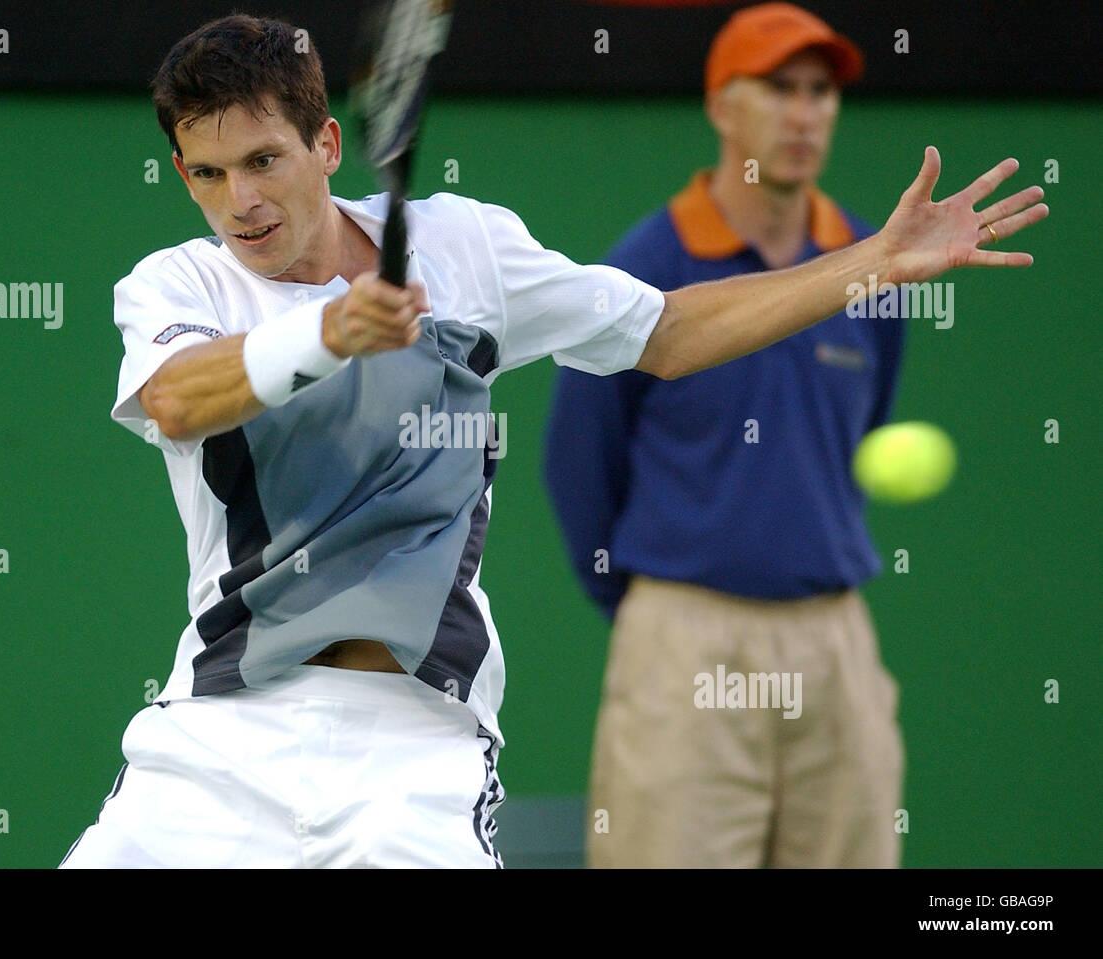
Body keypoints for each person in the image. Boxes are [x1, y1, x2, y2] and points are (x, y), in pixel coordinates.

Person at [60, 10, 1046, 868]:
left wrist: (869, 260)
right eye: (208, 172)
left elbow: (667, 331)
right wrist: (328, 330)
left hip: (416, 742)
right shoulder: (176, 284)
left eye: (263, 160)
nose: (241, 201)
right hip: (220, 733)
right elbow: (180, 400)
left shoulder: (465, 247)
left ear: (325, 144)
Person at [544, 2, 921, 868]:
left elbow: (866, 428)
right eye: (778, 88)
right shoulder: (647, 265)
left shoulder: (875, 260)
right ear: (722, 108)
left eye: (820, 90)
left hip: (837, 644)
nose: (804, 113)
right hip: (685, 642)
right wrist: (656, 607)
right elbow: (578, 464)